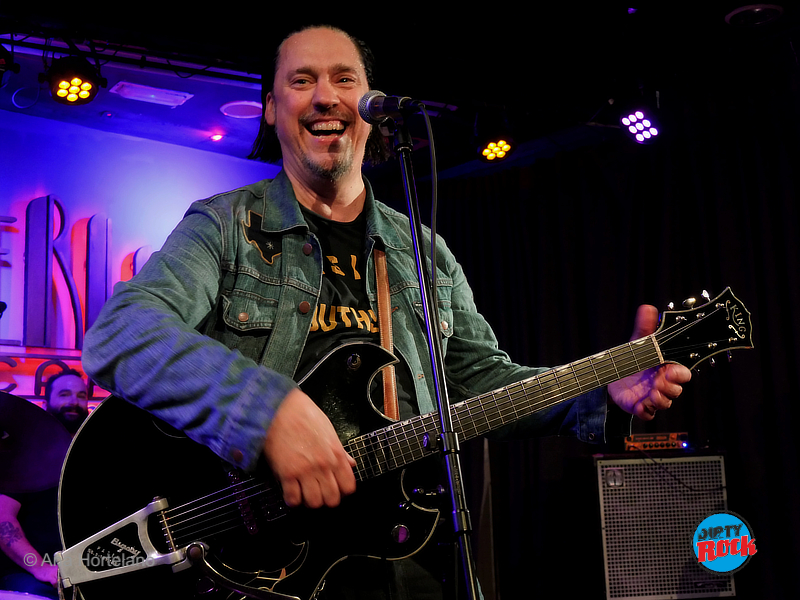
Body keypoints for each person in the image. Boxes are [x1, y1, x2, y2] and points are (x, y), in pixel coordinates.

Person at [81, 25, 692, 599]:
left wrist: (598, 392)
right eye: (301, 81)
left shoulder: (422, 253)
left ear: (369, 107)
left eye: (344, 80)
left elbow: (480, 383)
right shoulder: (225, 226)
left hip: (401, 554)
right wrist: (266, 411)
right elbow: (120, 333)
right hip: (256, 562)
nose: (325, 97)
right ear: (271, 109)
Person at [0, 370, 88, 599]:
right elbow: (2, 518)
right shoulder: (24, 455)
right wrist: (40, 568)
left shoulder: (89, 456)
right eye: (65, 394)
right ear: (45, 403)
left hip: (82, 567)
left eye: (81, 396)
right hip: (29, 572)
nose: (73, 402)